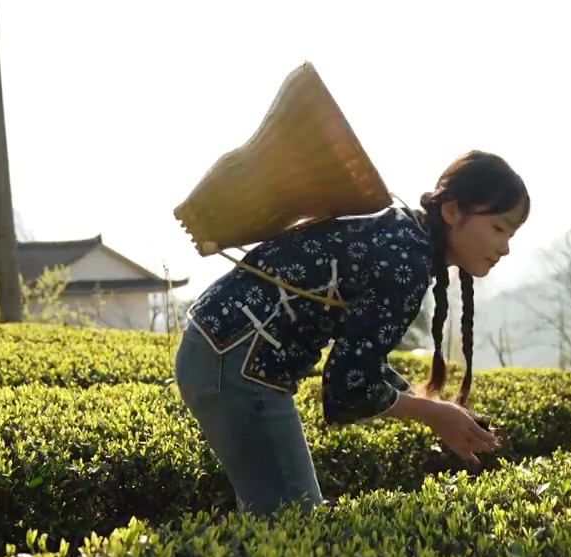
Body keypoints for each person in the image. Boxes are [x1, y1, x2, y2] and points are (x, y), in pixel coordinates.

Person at [173, 150, 531, 515]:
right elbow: (348, 387)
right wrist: (433, 414)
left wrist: (430, 407)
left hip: (220, 347)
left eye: (511, 233)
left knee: (276, 521)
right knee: (293, 525)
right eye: (498, 228)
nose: (504, 247)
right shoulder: (406, 262)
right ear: (452, 211)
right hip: (238, 362)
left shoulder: (402, 234)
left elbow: (358, 356)